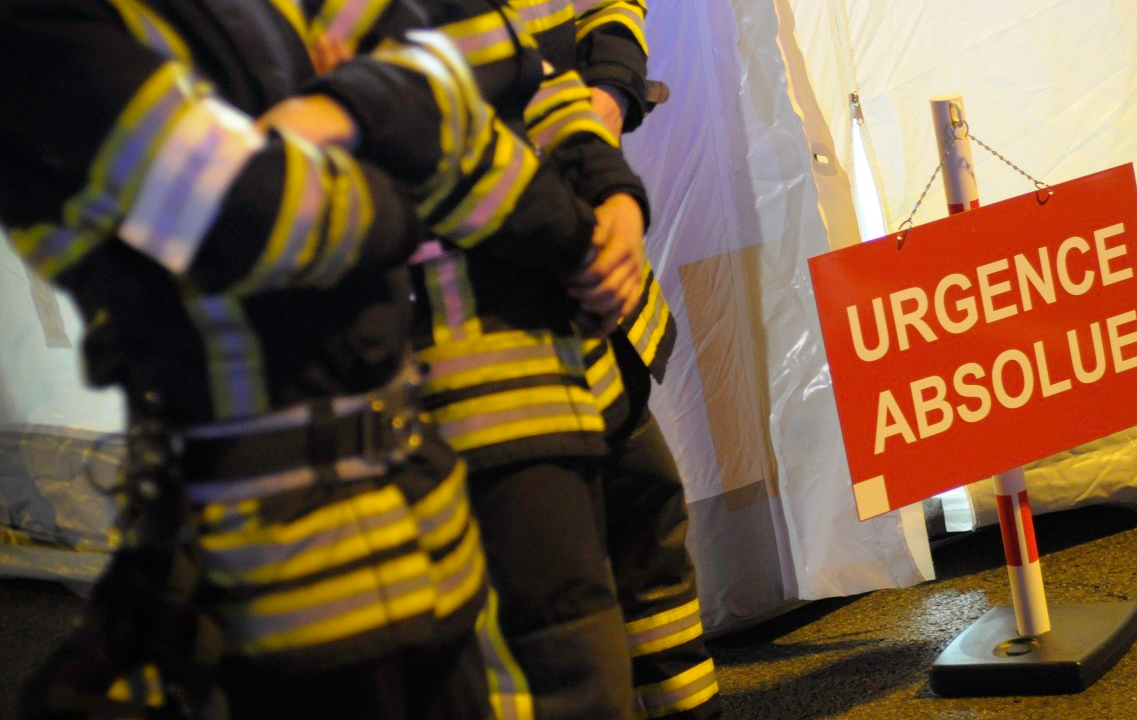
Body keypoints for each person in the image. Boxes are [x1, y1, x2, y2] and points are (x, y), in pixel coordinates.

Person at [0, 0, 598, 716]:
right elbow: (251, 215)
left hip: (415, 512)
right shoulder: (43, 24)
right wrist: (392, 163)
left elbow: (453, 76)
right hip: (272, 557)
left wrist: (347, 119)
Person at [293, 1, 649, 717]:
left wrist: (616, 195)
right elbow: (428, 136)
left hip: (552, 356)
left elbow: (537, 81)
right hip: (459, 381)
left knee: (604, 613)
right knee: (551, 664)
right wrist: (584, 237)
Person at [510, 2, 723, 717]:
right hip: (495, 329)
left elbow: (608, 11)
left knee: (648, 516)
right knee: (560, 598)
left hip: (584, 277)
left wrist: (606, 96)